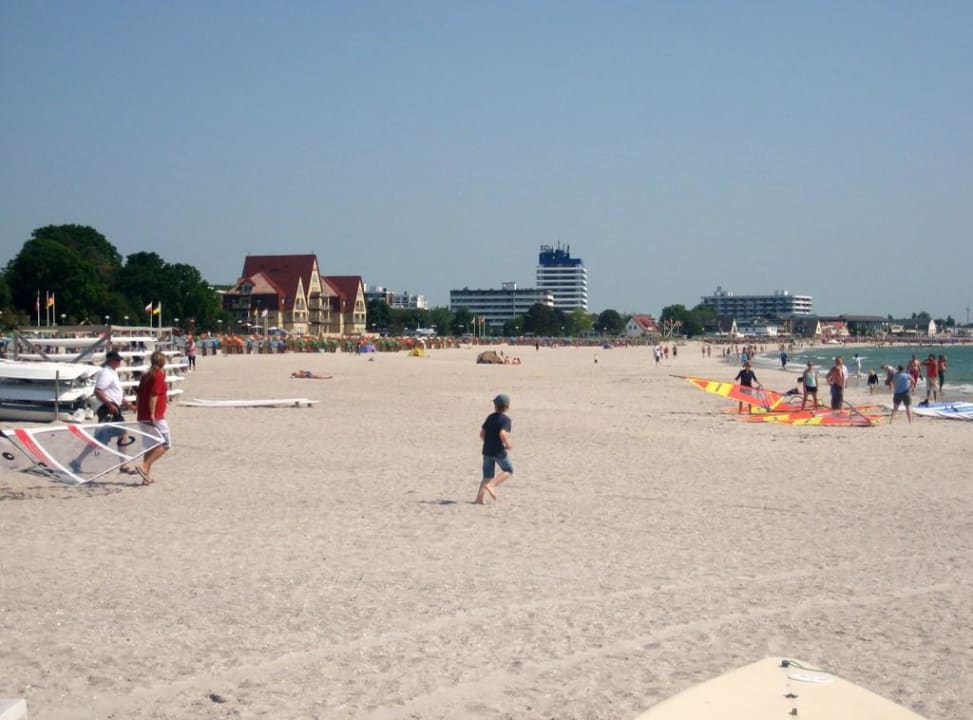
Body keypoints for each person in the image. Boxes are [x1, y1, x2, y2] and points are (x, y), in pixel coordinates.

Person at [69, 351, 133, 473]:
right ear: (110, 360)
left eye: (119, 360)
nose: (119, 362)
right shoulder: (106, 373)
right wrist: (109, 404)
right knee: (107, 438)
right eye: (116, 360)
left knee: (113, 436)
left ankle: (77, 461)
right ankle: (123, 465)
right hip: (108, 409)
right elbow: (98, 391)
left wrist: (127, 403)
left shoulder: (112, 372)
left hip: (113, 407)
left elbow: (113, 393)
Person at [134, 351, 171, 484]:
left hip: (142, 415)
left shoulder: (146, 376)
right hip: (155, 417)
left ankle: (146, 477)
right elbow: (153, 396)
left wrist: (138, 408)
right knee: (166, 444)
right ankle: (144, 467)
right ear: (163, 362)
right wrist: (153, 414)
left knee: (150, 445)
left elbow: (138, 395)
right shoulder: (158, 376)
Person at [475, 393, 513, 504]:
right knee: (509, 470)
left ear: (495, 406)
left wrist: (487, 443)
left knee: (487, 476)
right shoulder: (506, 420)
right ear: (507, 407)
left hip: (487, 450)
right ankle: (492, 485)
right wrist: (507, 444)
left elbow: (482, 433)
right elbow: (502, 433)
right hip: (498, 451)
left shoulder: (490, 417)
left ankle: (479, 499)